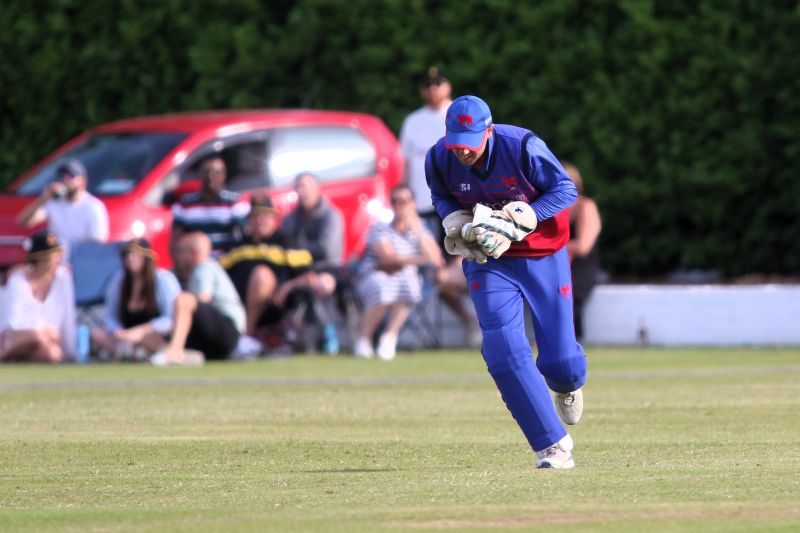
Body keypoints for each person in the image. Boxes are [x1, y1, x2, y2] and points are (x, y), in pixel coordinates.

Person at [425, 95, 587, 469]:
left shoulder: (523, 146)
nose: (463, 151)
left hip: (543, 253)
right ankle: (552, 445)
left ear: (489, 130)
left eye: (470, 142)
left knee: (561, 362)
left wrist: (528, 214)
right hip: (489, 257)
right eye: (456, 142)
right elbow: (441, 195)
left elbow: (565, 190)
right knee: (501, 347)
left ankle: (567, 382)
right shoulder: (438, 157)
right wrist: (453, 219)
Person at [399, 66, 480, 348]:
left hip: (455, 202)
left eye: (438, 84)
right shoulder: (413, 121)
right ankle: (470, 323)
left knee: (465, 259)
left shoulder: (458, 115)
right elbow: (406, 165)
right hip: (423, 207)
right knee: (436, 275)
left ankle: (486, 319)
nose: (433, 89)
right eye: (427, 85)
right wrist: (405, 201)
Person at [353, 184, 443, 360]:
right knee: (382, 286)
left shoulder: (421, 229)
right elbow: (387, 258)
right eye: (395, 201)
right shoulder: (380, 227)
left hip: (405, 277)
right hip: (375, 274)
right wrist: (419, 259)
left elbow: (436, 259)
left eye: (405, 202)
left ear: (413, 204)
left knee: (408, 282)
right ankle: (364, 339)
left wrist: (417, 231)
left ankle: (389, 337)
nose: (400, 206)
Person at [218, 196, 315, 346]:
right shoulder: (238, 245)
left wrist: (287, 286)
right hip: (235, 302)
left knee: (261, 275)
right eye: (256, 215)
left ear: (274, 219)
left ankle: (246, 335)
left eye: (265, 215)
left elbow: (309, 277)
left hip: (272, 305)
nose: (260, 220)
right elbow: (219, 272)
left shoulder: (285, 241)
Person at [150, 232, 246, 365]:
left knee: (184, 300)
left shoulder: (204, 267)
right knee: (149, 337)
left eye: (180, 251)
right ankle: (187, 356)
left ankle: (174, 351)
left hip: (227, 332)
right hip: (208, 340)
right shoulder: (185, 273)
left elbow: (200, 300)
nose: (176, 256)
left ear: (194, 253)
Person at [279, 172, 343, 353]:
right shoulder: (291, 219)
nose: (302, 192)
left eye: (305, 187)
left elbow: (326, 250)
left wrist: (298, 249)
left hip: (328, 269)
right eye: (298, 188)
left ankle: (329, 332)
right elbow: (283, 247)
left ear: (317, 189)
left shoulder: (332, 216)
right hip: (297, 272)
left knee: (322, 284)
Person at [93, 239, 181, 361]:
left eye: (136, 254)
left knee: (146, 339)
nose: (131, 258)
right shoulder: (118, 281)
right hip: (125, 336)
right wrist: (118, 331)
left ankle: (164, 354)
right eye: (128, 254)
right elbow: (110, 316)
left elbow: (170, 319)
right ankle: (133, 354)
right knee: (98, 335)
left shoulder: (163, 280)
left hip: (153, 334)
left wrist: (142, 330)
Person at [0, 231, 76, 363]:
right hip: (13, 337)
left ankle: (12, 360)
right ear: (40, 258)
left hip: (47, 341)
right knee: (36, 336)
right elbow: (14, 323)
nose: (58, 259)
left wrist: (71, 353)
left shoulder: (63, 278)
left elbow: (68, 318)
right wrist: (44, 331)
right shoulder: (17, 280)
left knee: (52, 354)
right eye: (53, 255)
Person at [15, 159, 109, 257]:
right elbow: (23, 222)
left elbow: (98, 245)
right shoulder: (53, 202)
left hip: (81, 261)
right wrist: (43, 199)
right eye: (62, 176)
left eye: (70, 176)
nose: (65, 180)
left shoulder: (94, 207)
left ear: (82, 181)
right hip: (55, 262)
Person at [170, 157, 250, 256]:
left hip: (226, 260)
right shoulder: (184, 204)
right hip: (195, 260)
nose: (211, 176)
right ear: (199, 175)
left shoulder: (235, 202)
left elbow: (245, 236)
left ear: (224, 175)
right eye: (206, 172)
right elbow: (176, 241)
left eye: (216, 172)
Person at [562, 162, 602, 341]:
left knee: (570, 295)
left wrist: (551, 246)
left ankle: (570, 339)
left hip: (580, 268)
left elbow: (583, 246)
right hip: (558, 265)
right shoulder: (551, 209)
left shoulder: (586, 207)